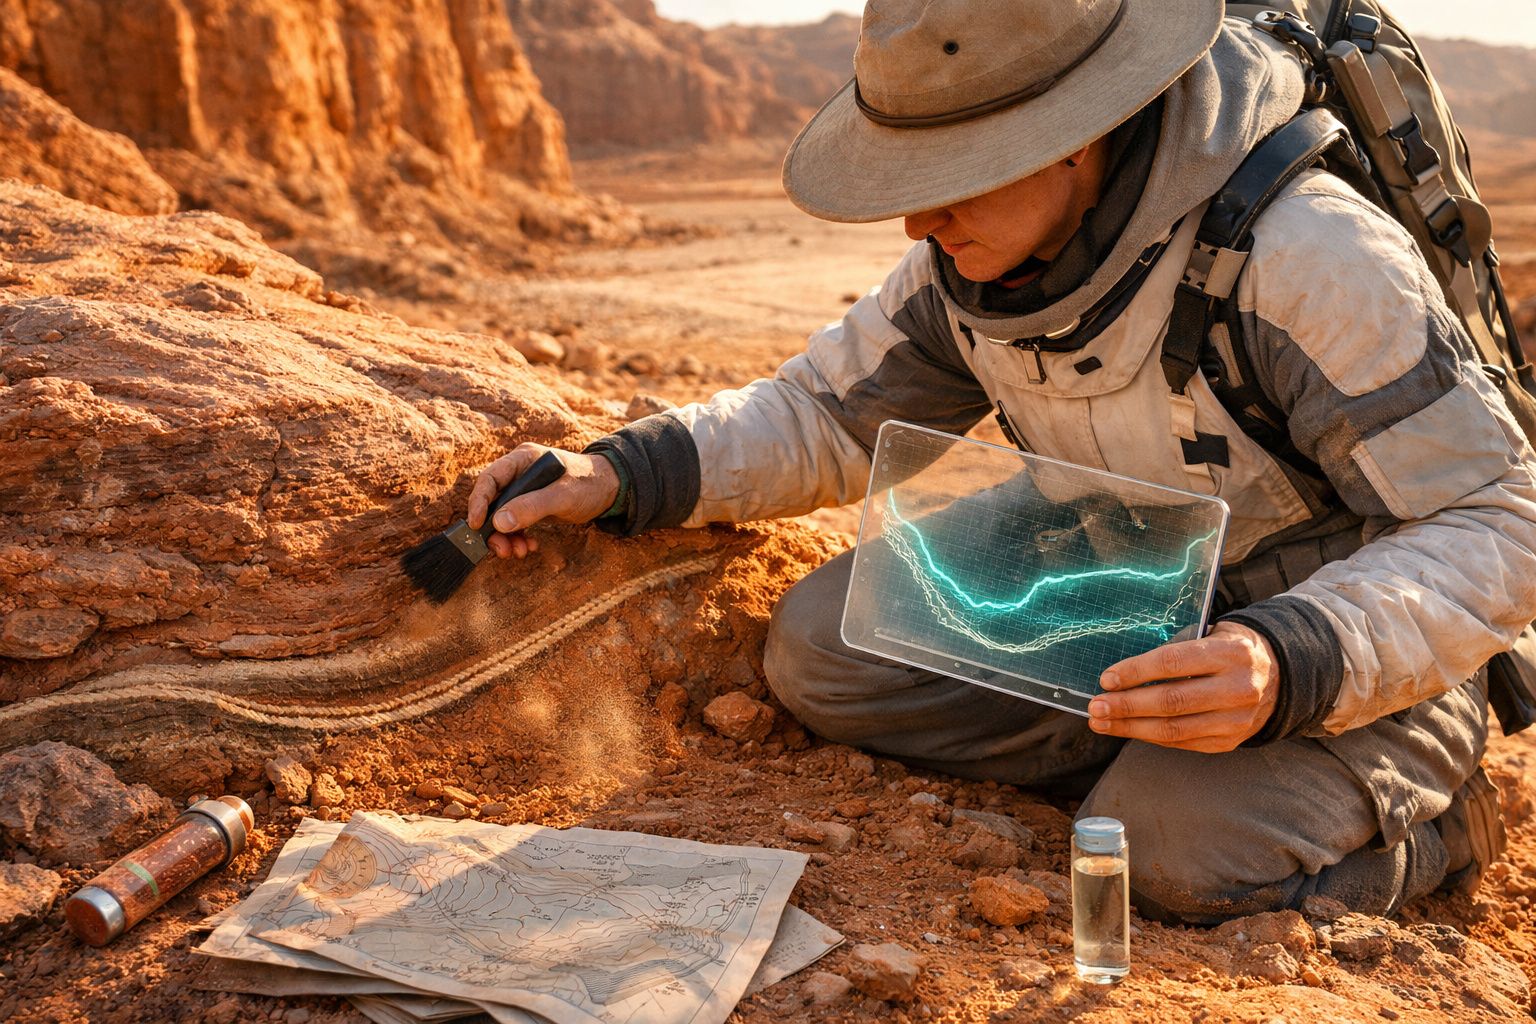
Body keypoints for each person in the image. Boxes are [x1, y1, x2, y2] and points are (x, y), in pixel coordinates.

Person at [465, 0, 1536, 923]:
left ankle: (1435, 825)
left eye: (954, 179)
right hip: (1119, 582)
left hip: (1335, 638)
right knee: (819, 650)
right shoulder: (967, 257)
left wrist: (1286, 663)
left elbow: (1497, 517)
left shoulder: (1305, 257)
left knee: (1159, 860)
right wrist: (622, 472)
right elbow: (823, 416)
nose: (915, 219)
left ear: (1075, 138)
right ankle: (1144, 750)